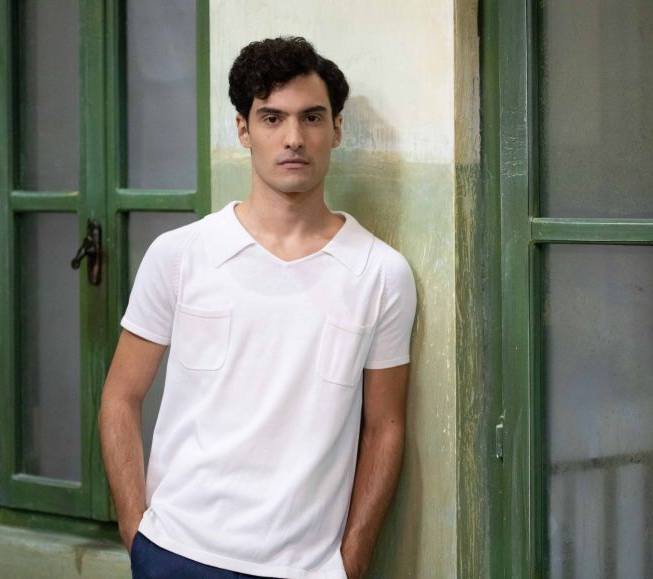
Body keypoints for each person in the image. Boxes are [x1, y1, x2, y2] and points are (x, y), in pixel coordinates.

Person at [99, 36, 417, 579]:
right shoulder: (180, 255)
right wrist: (138, 534)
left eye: (312, 117)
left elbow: (385, 427)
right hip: (176, 553)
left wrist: (352, 561)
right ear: (243, 129)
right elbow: (120, 397)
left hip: (307, 568)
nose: (294, 138)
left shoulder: (382, 274)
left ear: (337, 129)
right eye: (272, 118)